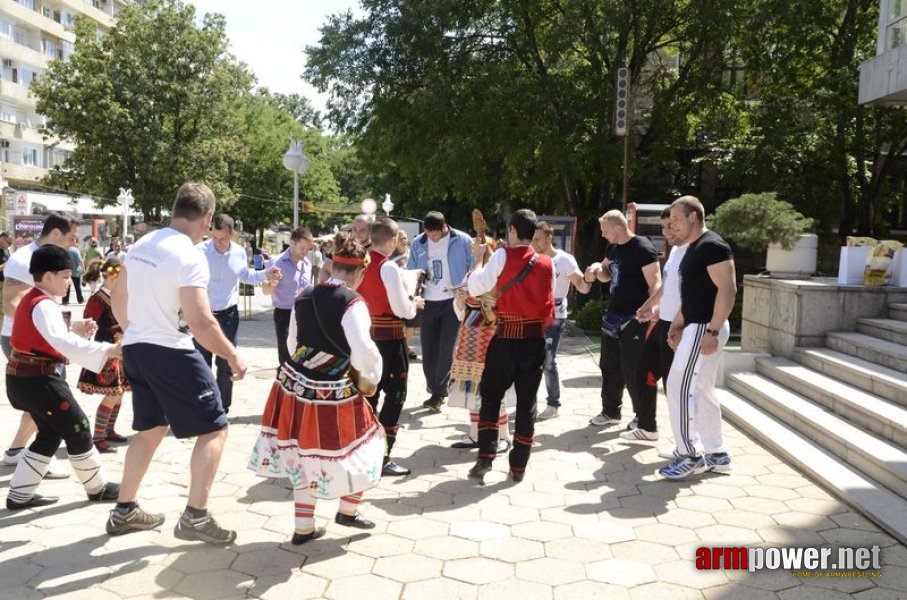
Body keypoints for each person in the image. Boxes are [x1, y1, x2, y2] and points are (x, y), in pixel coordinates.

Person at [107, 182, 248, 544]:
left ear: (175, 209)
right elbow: (201, 322)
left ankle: (124, 510)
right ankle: (196, 517)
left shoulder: (142, 245)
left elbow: (118, 297)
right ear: (207, 217)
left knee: (151, 427)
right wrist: (231, 355)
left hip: (139, 346)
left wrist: (134, 332)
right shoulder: (190, 255)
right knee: (215, 427)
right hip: (170, 349)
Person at [248, 231, 384, 544]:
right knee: (368, 442)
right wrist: (372, 377)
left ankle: (303, 527)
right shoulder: (353, 302)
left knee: (301, 454)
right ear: (359, 273)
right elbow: (363, 351)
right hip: (332, 390)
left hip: (295, 385)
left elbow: (293, 343)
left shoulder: (304, 296)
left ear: (332, 266)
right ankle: (348, 510)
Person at [5, 245, 121, 509]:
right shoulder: (43, 303)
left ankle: (19, 495)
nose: (71, 281)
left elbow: (53, 336)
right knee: (78, 427)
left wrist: (76, 329)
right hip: (39, 381)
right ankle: (98, 488)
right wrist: (110, 349)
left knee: (49, 433)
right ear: (48, 276)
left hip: (25, 379)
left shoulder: (36, 299)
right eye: (66, 275)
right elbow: (62, 343)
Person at [464, 209, 555, 482]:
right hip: (534, 340)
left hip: (505, 339)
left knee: (491, 396)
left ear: (513, 231)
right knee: (527, 404)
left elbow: (475, 287)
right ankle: (518, 466)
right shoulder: (547, 262)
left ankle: (486, 457)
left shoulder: (503, 255)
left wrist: (479, 260)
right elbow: (548, 307)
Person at [1, 212, 84, 478]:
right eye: (71, 238)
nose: (74, 244)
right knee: (49, 399)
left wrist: (62, 328)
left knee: (40, 401)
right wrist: (51, 333)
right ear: (56, 233)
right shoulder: (23, 259)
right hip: (26, 342)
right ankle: (41, 458)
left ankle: (16, 452)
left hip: (44, 340)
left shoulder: (49, 258)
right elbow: (11, 303)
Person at [660, 196, 736, 479]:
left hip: (705, 328)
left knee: (678, 387)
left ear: (694, 217)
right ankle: (717, 453)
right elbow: (692, 294)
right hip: (696, 326)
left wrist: (712, 331)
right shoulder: (691, 249)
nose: (672, 225)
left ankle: (689, 454)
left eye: (677, 220)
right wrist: (677, 324)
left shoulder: (712, 245)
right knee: (702, 388)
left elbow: (728, 290)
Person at [357, 218, 424, 477]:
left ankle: (360, 450)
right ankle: (382, 457)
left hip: (363, 337)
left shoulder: (360, 261)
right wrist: (413, 302)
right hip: (389, 340)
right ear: (394, 240)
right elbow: (401, 309)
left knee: (366, 395)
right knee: (395, 396)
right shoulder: (388, 267)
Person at [584, 210, 661, 430]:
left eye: (605, 231)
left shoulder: (642, 248)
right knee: (609, 366)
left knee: (634, 368)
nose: (603, 235)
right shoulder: (613, 247)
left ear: (618, 228)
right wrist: (597, 271)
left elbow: (656, 283)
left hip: (636, 316)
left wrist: (652, 308)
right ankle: (610, 411)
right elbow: (606, 271)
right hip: (613, 315)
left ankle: (642, 418)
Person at [197, 214, 281, 413]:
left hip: (228, 315)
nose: (219, 243)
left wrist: (265, 274)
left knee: (226, 361)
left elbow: (245, 275)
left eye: (223, 239)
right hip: (202, 315)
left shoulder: (239, 252)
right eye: (215, 238)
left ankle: (222, 407)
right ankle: (202, 405)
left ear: (231, 234)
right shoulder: (199, 251)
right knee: (201, 362)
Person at [623, 207, 686, 443]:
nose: (667, 230)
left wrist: (678, 322)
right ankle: (648, 427)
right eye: (663, 226)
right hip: (664, 322)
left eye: (672, 224)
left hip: (679, 327)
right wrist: (649, 307)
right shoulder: (674, 251)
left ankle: (687, 444)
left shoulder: (693, 251)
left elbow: (694, 294)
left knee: (675, 387)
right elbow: (666, 287)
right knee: (644, 372)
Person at [407, 212, 475, 413]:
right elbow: (411, 271)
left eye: (436, 232)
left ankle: (439, 393)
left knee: (446, 347)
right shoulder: (419, 243)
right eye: (429, 232)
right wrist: (413, 295)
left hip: (452, 301)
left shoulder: (461, 240)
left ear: (445, 226)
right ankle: (434, 388)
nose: (433, 236)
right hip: (428, 302)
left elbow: (473, 266)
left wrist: (465, 290)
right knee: (428, 348)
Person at [531, 221, 591, 420]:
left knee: (548, 359)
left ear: (550, 238)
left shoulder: (565, 260)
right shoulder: (531, 258)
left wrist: (589, 278)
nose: (535, 243)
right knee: (530, 360)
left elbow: (582, 286)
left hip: (555, 316)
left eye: (538, 239)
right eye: (532, 239)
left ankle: (553, 404)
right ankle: (528, 402)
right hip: (533, 314)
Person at [77, 257, 131, 453]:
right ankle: (98, 436)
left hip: (122, 349)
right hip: (107, 349)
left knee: (120, 394)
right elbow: (88, 322)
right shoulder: (98, 298)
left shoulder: (122, 296)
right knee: (112, 394)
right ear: (110, 276)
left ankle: (109, 430)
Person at [262, 227, 314, 366]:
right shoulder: (276, 262)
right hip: (284, 314)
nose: (305, 252)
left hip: (304, 314)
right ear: (292, 243)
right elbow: (265, 291)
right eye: (302, 248)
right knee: (286, 359)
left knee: (303, 357)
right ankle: (283, 386)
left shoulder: (307, 264)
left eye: (308, 249)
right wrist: (273, 283)